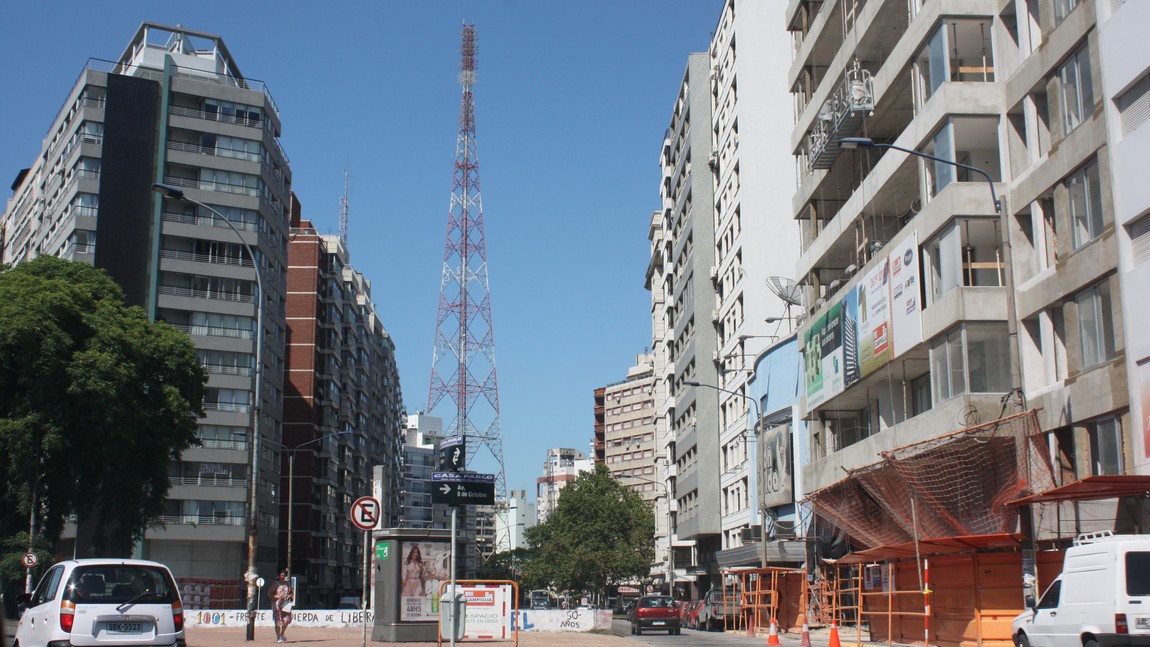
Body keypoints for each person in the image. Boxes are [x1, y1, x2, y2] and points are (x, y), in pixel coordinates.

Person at [271, 572, 293, 643]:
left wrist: (290, 596)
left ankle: (282, 633)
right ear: (279, 576)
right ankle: (278, 637)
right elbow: (270, 593)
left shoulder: (287, 583)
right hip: (277, 604)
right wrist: (278, 596)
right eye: (282, 575)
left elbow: (291, 592)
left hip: (285, 604)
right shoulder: (275, 584)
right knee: (278, 621)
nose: (283, 576)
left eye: (284, 575)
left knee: (287, 619)